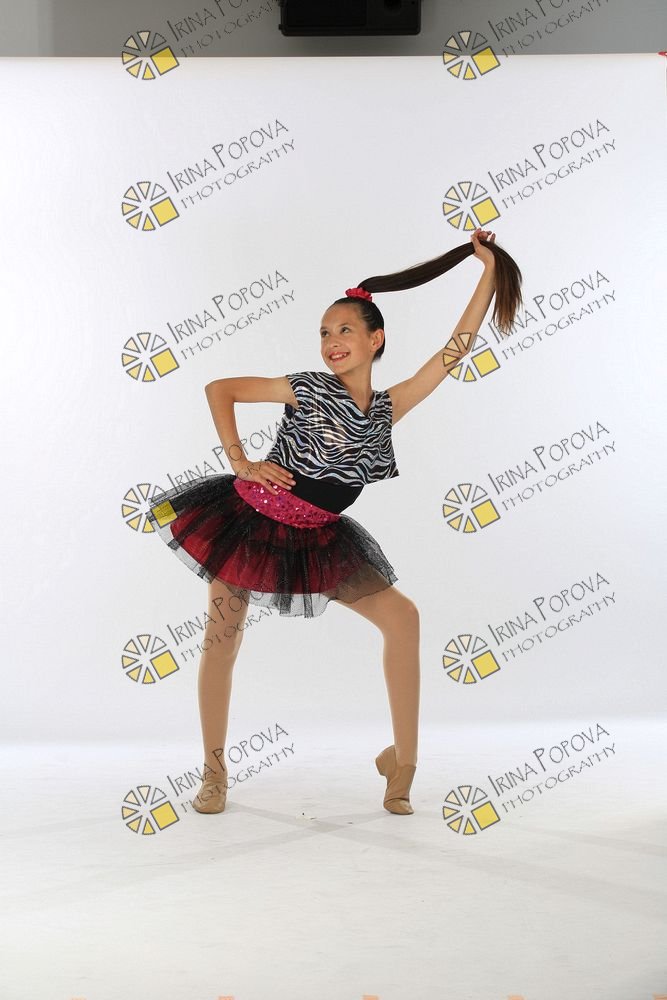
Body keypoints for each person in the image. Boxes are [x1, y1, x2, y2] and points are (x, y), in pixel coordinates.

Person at [146, 228, 523, 817]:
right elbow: (220, 388)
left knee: (403, 618)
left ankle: (403, 764)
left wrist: (487, 271)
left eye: (345, 330)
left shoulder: (388, 408)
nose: (331, 341)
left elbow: (455, 350)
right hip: (248, 524)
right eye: (324, 332)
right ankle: (213, 772)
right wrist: (241, 461)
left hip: (320, 537)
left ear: (376, 339)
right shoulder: (306, 388)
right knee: (222, 638)